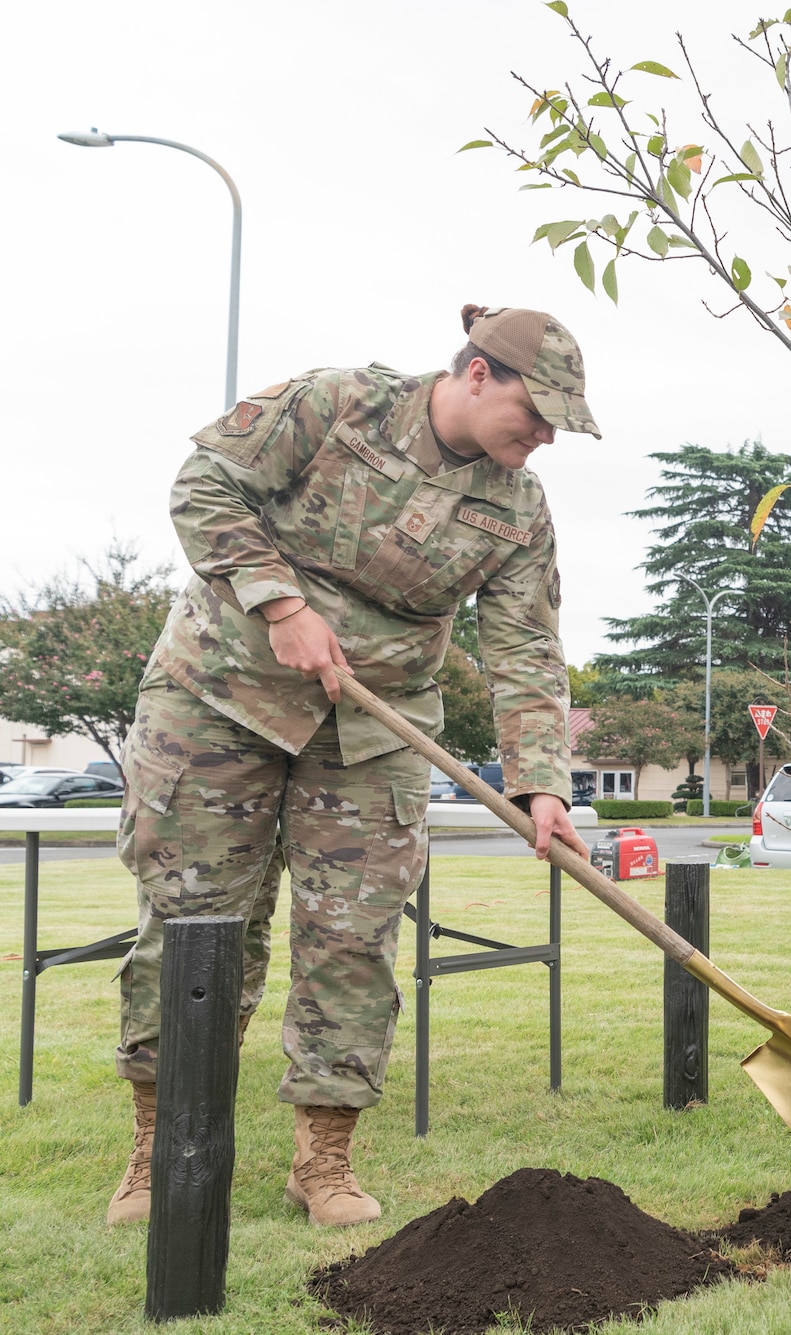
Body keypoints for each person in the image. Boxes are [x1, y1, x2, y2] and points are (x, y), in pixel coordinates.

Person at [108, 305, 596, 1228]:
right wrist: (280, 600)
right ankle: (158, 1152)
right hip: (219, 697)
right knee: (194, 925)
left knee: (352, 943)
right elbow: (204, 484)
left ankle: (322, 1163)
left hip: (372, 734)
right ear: (479, 373)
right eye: (536, 414)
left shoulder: (519, 508)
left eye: (556, 426)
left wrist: (542, 783)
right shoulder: (336, 404)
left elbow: (526, 645)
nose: (542, 438)